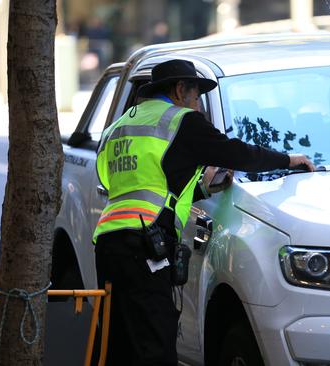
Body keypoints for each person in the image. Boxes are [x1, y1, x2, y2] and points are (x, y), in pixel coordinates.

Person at [93, 59, 314, 365]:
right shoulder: (180, 120)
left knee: (118, 344)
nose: (198, 105)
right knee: (155, 344)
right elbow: (236, 153)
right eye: (196, 96)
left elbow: (133, 182)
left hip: (109, 243)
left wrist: (202, 188)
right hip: (145, 245)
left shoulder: (117, 128)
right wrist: (289, 160)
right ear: (180, 89)